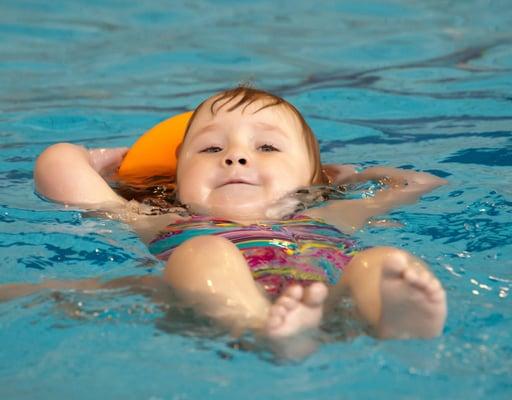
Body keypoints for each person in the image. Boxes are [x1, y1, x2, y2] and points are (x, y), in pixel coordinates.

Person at [3, 87, 447, 347]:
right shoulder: (154, 219)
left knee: (381, 264)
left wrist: (345, 177)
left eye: (267, 148)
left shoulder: (334, 213)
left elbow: (418, 182)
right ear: (178, 176)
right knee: (203, 254)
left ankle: (390, 321)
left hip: (327, 303)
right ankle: (263, 327)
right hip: (215, 303)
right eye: (212, 149)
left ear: (311, 177)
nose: (235, 157)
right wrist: (115, 161)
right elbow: (58, 165)